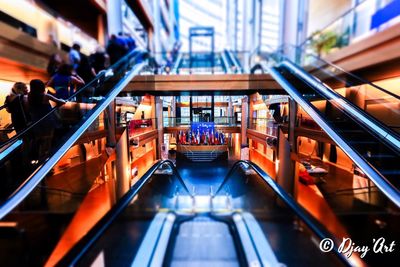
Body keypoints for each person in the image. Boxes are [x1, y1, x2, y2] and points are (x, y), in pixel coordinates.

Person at [28, 79, 66, 161]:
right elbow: (61, 102)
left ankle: (36, 159)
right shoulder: (45, 96)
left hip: (36, 121)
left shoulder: (29, 96)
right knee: (47, 141)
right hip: (47, 121)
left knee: (39, 140)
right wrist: (63, 100)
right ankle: (44, 160)